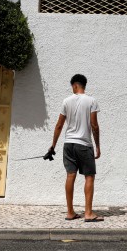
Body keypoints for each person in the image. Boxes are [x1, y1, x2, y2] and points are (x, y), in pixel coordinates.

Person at [49, 73, 103, 222]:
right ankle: (88, 213)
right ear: (83, 85)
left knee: (70, 176)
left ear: (75, 85)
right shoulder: (91, 101)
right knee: (89, 176)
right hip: (84, 144)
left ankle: (70, 212)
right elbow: (94, 125)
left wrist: (53, 146)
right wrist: (97, 145)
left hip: (68, 144)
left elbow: (59, 125)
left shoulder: (66, 101)